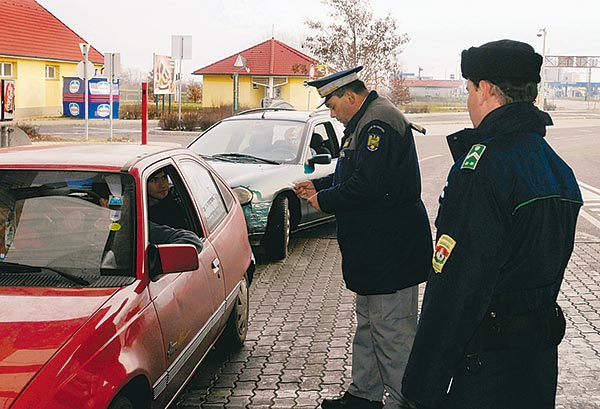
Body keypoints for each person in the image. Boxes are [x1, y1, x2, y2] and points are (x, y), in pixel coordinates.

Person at [399, 40, 583, 409]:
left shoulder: (482, 170)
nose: (468, 100)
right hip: (537, 365)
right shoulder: (558, 169)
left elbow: (457, 287)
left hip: (486, 370)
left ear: (485, 91)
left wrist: (422, 385)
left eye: (468, 89)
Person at [295, 66, 433, 409]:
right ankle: (364, 395)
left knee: (393, 334)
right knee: (370, 327)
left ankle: (405, 401)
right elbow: (352, 173)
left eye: (332, 104)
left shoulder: (377, 125)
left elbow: (369, 186)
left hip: (390, 253)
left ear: (350, 97)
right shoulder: (364, 121)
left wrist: (322, 199)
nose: (332, 112)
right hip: (376, 254)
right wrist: (321, 185)